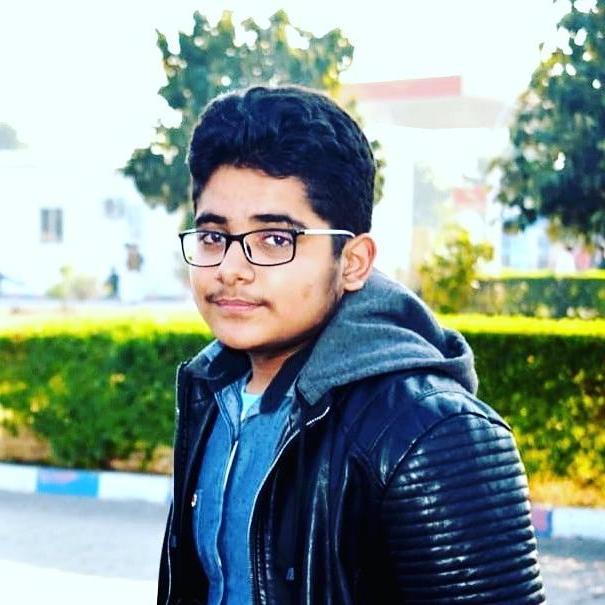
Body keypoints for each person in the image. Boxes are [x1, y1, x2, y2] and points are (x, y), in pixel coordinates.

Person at [158, 86, 545, 604]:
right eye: (213, 237)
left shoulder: (432, 432)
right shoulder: (213, 394)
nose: (230, 269)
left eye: (275, 240)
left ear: (354, 262)